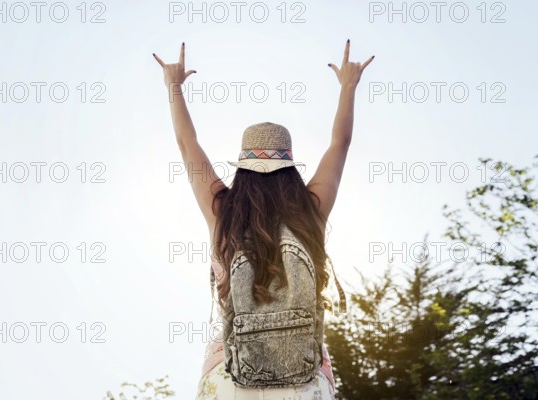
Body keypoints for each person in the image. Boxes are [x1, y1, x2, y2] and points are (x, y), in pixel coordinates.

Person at [153, 39, 374, 400]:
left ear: (244, 168)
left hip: (228, 373)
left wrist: (173, 87)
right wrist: (349, 86)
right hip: (304, 374)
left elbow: (186, 142)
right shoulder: (311, 211)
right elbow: (340, 143)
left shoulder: (222, 211)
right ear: (288, 167)